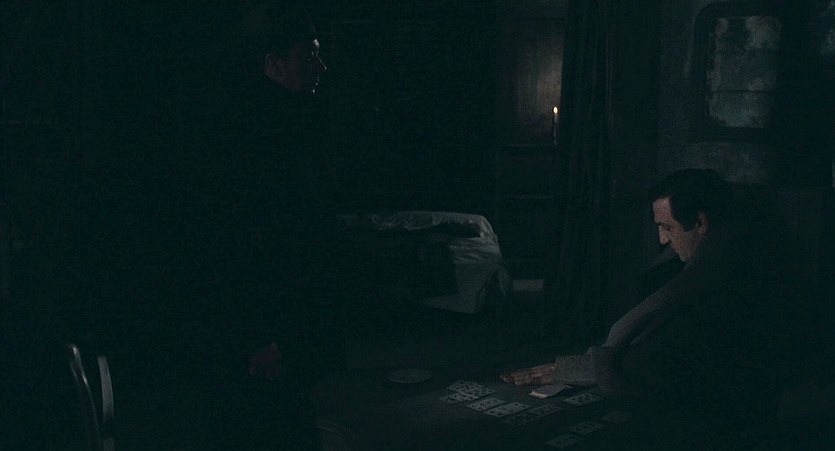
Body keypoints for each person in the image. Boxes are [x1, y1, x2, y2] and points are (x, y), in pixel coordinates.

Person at [501, 168, 798, 446]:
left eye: (667, 227)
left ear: (700, 223)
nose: (662, 239)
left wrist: (582, 368)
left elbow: (667, 360)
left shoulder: (732, 280)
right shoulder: (711, 262)